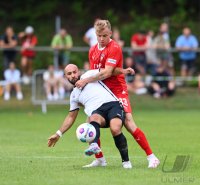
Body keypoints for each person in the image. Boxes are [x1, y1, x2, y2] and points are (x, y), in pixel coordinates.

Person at [75, 19, 160, 168]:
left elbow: (107, 72)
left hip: (117, 89)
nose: (101, 39)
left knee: (128, 122)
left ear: (110, 34)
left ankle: (151, 157)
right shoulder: (93, 50)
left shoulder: (114, 47)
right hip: (102, 92)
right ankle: (100, 159)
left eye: (105, 36)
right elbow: (96, 72)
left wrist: (85, 80)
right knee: (91, 122)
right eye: (99, 36)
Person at [48, 64, 132, 169]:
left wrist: (123, 70)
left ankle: (126, 162)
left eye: (74, 72)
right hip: (98, 113)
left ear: (78, 72)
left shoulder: (89, 74)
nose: (73, 75)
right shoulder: (74, 95)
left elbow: (108, 71)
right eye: (69, 74)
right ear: (66, 76)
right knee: (91, 120)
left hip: (112, 105)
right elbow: (71, 117)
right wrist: (58, 134)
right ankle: (98, 155)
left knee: (115, 129)